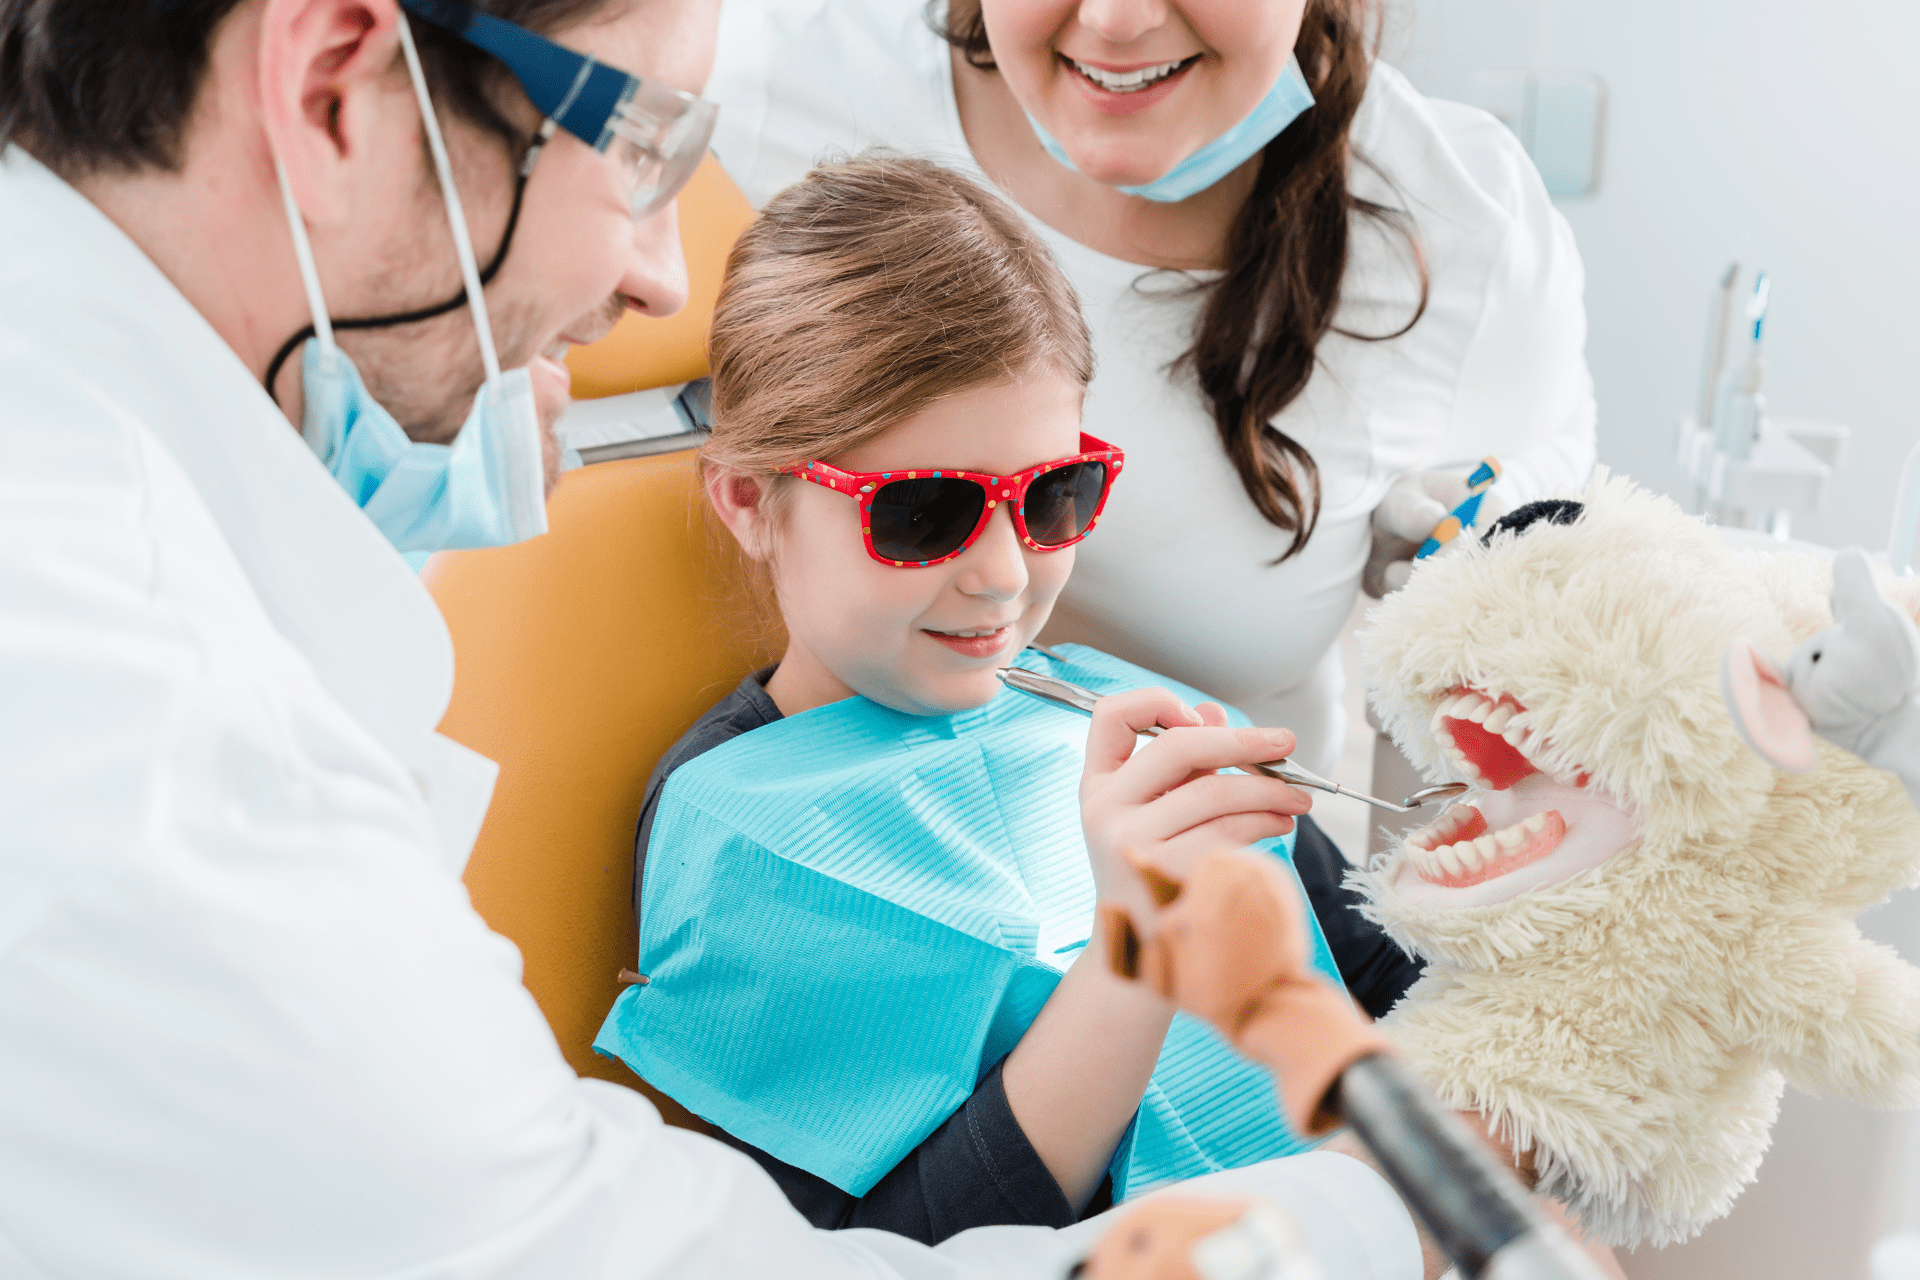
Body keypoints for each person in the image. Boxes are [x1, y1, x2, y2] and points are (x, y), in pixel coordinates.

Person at [0, 1, 1425, 1276]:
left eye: (1053, 495)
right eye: (644, 145)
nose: (661, 282)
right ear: (331, 90)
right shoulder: (146, 751)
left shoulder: (117, 550)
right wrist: (1402, 1213)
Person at [594, 152, 1427, 1251]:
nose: (1001, 576)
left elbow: (1399, 988)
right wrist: (1136, 950)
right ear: (749, 499)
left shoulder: (1125, 707)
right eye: (922, 513)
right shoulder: (743, 829)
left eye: (1050, 495)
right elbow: (875, 1259)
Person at [700, 0, 1598, 777]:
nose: (1117, 22)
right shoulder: (767, 78)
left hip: (1230, 857)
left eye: (1059, 495)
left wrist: (1492, 553)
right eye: (922, 510)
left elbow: (1551, 503)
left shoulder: (1464, 231)